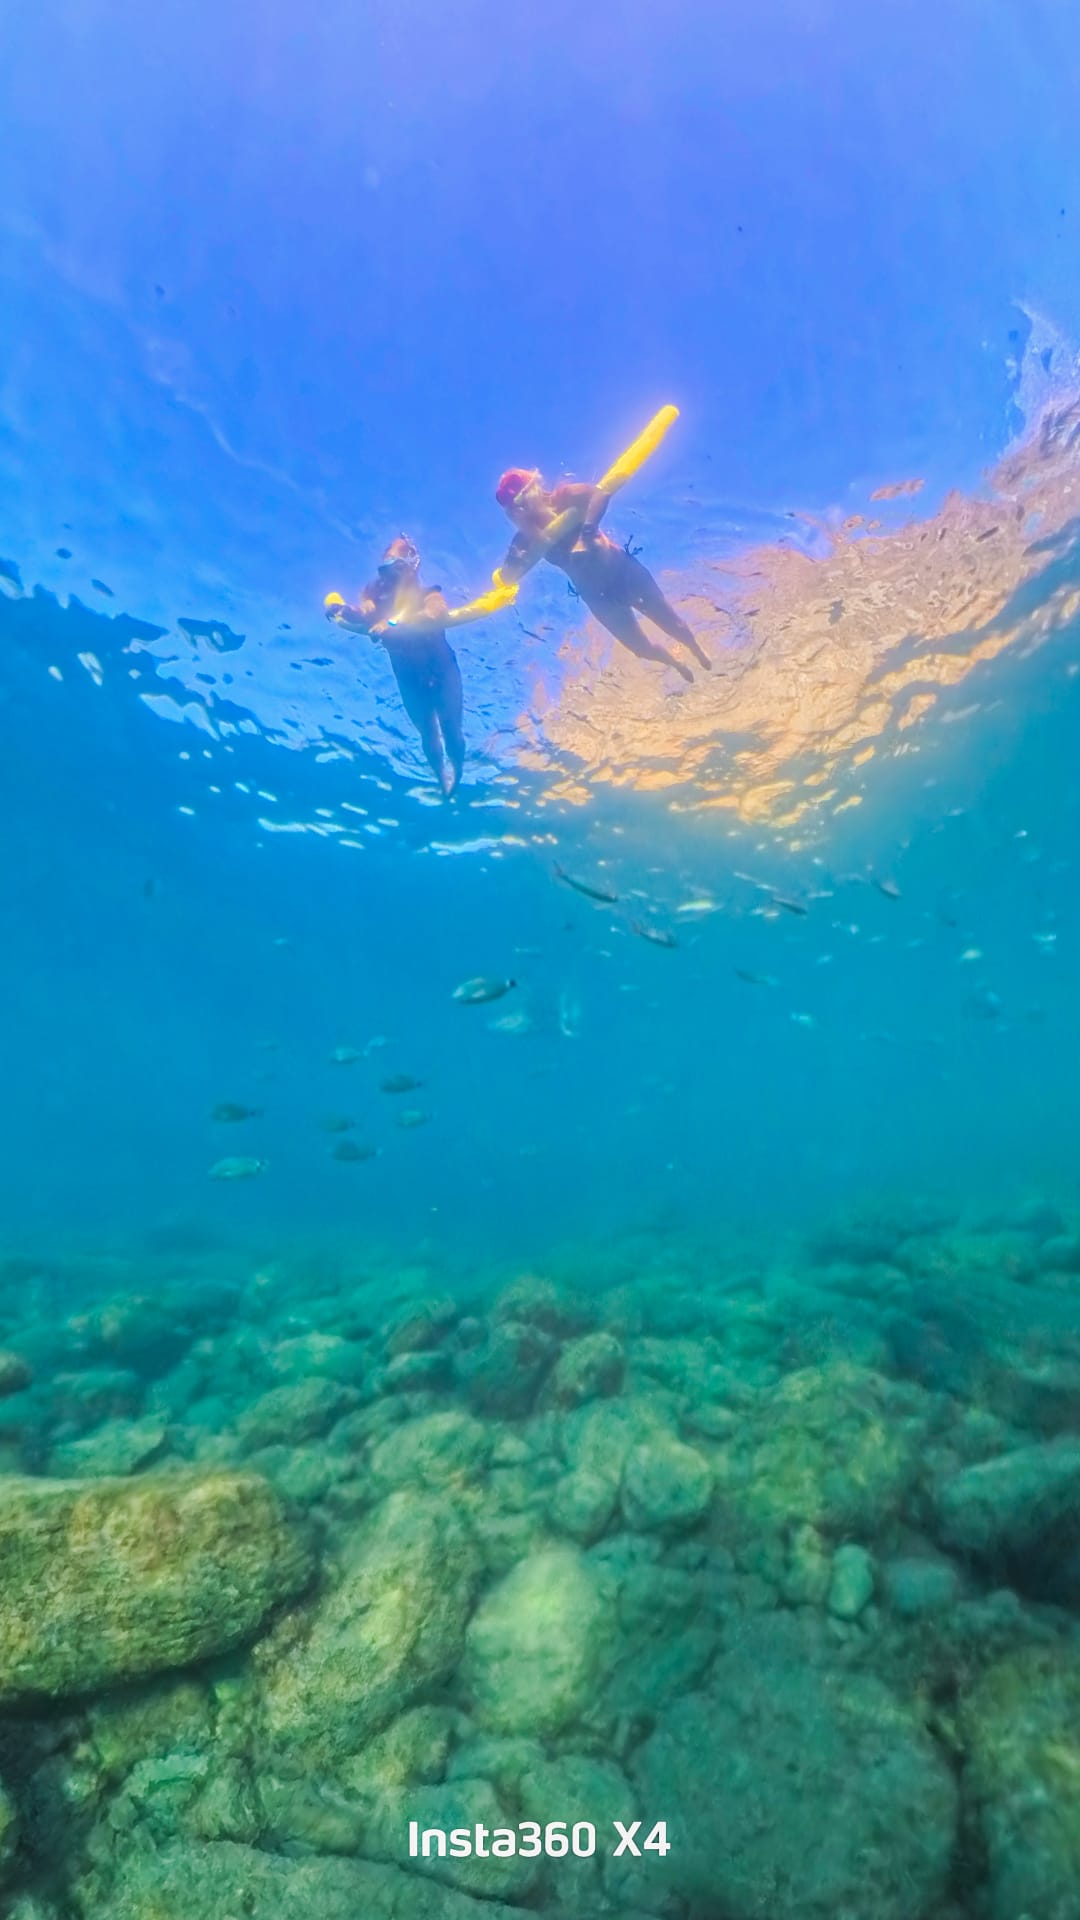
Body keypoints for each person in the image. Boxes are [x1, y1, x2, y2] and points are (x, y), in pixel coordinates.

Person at [493, 468, 710, 682]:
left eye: (520, 504)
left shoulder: (565, 496)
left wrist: (588, 528)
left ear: (532, 491)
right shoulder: (525, 540)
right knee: (641, 649)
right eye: (512, 511)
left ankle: (696, 649)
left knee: (673, 624)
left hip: (623, 572)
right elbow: (509, 578)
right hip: (599, 598)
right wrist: (514, 559)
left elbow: (599, 494)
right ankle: (675, 663)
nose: (518, 512)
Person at [325, 536, 466, 796]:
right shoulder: (375, 603)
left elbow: (437, 613)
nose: (389, 577)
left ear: (412, 569)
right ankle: (440, 777)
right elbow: (361, 615)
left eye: (397, 567)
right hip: (408, 678)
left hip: (442, 670)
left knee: (451, 730)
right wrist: (340, 610)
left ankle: (457, 771)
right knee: (428, 733)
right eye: (384, 569)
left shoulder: (428, 594)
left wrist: (393, 625)